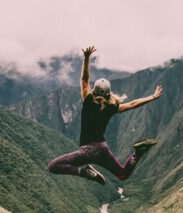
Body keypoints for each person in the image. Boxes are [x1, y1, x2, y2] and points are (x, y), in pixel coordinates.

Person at [47, 46, 163, 185]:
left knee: (53, 166)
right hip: (102, 149)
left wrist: (87, 58)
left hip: (87, 151)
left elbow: (84, 79)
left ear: (93, 91)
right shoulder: (111, 107)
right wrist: (152, 97)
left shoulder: (88, 101)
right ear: (109, 94)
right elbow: (132, 104)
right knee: (123, 174)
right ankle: (138, 153)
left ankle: (86, 173)